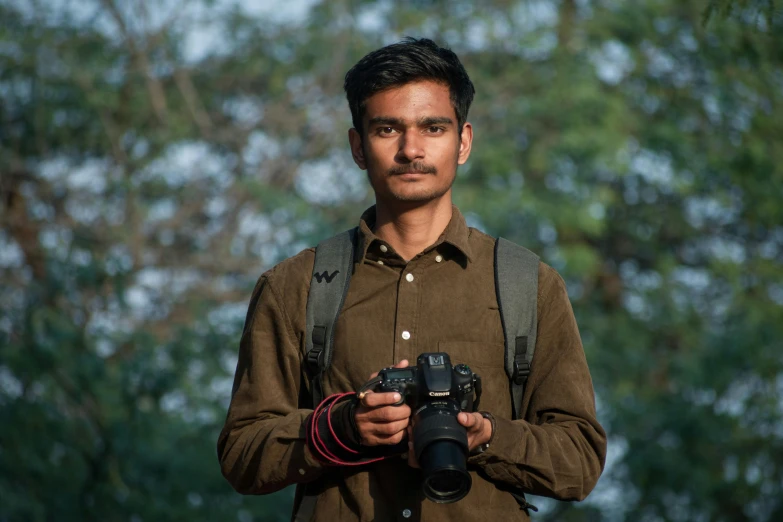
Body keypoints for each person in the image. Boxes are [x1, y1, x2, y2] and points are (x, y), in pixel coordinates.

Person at [217, 37, 606, 522]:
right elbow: (241, 453)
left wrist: (486, 435)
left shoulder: (527, 284)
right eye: (387, 129)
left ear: (463, 142)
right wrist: (345, 426)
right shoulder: (297, 285)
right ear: (358, 146)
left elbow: (581, 460)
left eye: (433, 127)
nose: (411, 149)